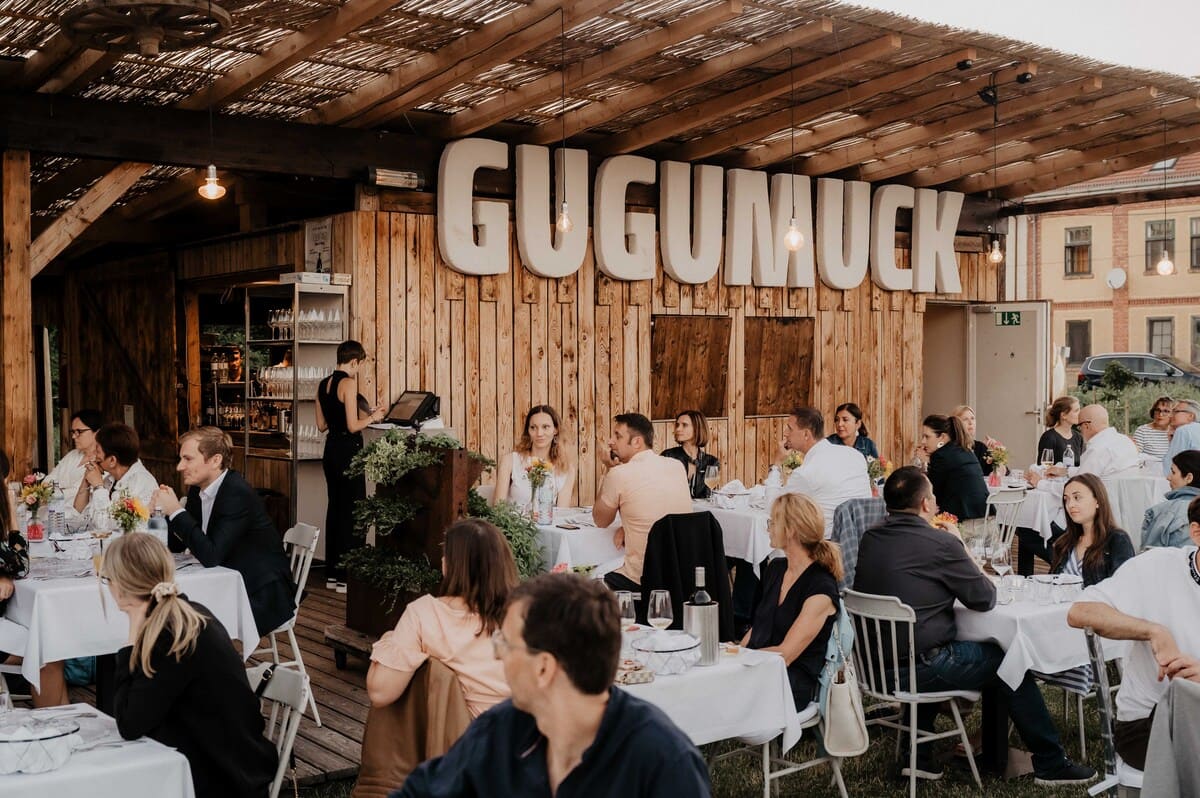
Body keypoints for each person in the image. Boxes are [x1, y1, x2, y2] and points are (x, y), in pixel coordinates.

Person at [854, 467, 1095, 785]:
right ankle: (1050, 762)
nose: (936, 502)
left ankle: (920, 758)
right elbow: (985, 598)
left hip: (874, 668)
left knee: (923, 641)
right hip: (918, 668)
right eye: (933, 496)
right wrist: (960, 547)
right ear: (926, 504)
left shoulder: (871, 537)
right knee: (1009, 660)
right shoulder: (940, 543)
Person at [397, 573, 712, 797]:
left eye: (506, 643)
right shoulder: (502, 731)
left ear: (544, 668)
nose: (497, 654)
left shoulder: (663, 763)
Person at [105, 533, 278, 798]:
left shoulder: (171, 637)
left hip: (221, 780)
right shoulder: (192, 613)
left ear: (121, 585)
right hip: (236, 763)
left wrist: (132, 635)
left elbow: (129, 723)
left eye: (107, 579)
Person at [1067, 499, 1200, 770]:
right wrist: (1153, 630)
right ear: (1197, 533)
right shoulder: (1158, 566)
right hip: (1151, 723)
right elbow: (1081, 611)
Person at [367, 519, 517, 717]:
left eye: (446, 554)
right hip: (526, 730)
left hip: (464, 733)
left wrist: (387, 641)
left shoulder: (425, 614)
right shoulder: (526, 615)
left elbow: (380, 693)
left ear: (451, 565)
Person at [156, 427, 296, 639]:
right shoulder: (197, 489)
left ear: (215, 460)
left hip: (259, 592)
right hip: (223, 580)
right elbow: (177, 546)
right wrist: (162, 513)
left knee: (179, 617)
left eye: (188, 459)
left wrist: (176, 511)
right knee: (167, 609)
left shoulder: (236, 492)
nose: (179, 467)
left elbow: (211, 555)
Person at [742, 493, 841, 710]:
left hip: (789, 682)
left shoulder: (821, 587)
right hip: (756, 667)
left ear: (791, 530)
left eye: (772, 522)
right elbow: (758, 627)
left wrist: (739, 660)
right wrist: (733, 653)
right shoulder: (776, 568)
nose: (768, 528)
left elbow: (786, 655)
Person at [315, 340, 386, 588]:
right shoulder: (348, 383)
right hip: (348, 452)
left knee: (335, 510)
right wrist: (374, 417)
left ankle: (333, 574)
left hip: (331, 451)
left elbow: (321, 425)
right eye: (360, 365)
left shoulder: (322, 385)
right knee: (354, 512)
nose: (358, 370)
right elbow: (353, 426)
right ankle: (348, 578)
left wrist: (359, 414)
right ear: (354, 361)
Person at [594, 413, 692, 591]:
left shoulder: (619, 474)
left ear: (637, 442)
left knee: (588, 578)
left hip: (642, 577)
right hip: (682, 573)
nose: (610, 441)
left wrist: (608, 469)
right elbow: (660, 507)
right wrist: (627, 526)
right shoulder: (677, 466)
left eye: (618, 436)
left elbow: (601, 520)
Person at [780, 406, 872, 533]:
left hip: (826, 542)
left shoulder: (805, 473)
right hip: (863, 538)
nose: (785, 433)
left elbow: (775, 509)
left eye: (789, 428)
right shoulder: (855, 455)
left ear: (806, 434)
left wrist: (776, 464)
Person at [1027, 404, 1139, 490]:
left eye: (1079, 426)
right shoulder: (1125, 441)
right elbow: (1093, 472)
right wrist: (1065, 471)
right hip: (1122, 502)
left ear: (1086, 425)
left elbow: (1077, 488)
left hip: (1100, 505)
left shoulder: (1098, 449)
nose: (1080, 430)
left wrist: (1040, 483)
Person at [1051, 474, 1134, 586]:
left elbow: (1124, 587)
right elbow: (1050, 583)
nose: (1070, 505)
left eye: (1077, 498)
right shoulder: (1064, 543)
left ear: (1097, 501)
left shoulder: (1117, 540)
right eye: (1066, 499)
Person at [72, 422, 158, 525]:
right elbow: (79, 513)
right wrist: (86, 481)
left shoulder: (140, 483)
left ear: (112, 460)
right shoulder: (111, 479)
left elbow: (109, 526)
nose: (94, 456)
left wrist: (98, 487)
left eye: (97, 451)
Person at [492, 404, 576, 508]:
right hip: (513, 518)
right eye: (533, 427)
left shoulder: (566, 469)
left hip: (548, 518)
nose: (539, 433)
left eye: (545, 427)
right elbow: (498, 508)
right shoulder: (510, 460)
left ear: (555, 430)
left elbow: (562, 512)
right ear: (528, 431)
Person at [920, 414, 988, 523]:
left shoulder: (940, 456)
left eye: (927, 437)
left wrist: (925, 462)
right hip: (986, 519)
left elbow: (930, 494)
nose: (923, 441)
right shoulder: (966, 451)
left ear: (943, 437)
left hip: (964, 524)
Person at [1142, 450, 1200, 549]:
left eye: (1173, 472)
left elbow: (1149, 553)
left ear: (1189, 478)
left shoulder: (1164, 512)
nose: (1168, 477)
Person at [45, 408, 105, 501]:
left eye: (79, 432)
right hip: (53, 507)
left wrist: (56, 491)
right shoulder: (72, 455)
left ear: (97, 433)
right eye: (73, 432)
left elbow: (78, 492)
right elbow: (47, 481)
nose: (73, 436)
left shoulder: (104, 461)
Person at [660, 409, 720, 500]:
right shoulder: (668, 456)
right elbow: (661, 490)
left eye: (684, 425)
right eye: (677, 425)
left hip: (701, 508)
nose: (678, 429)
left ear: (697, 429)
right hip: (674, 507)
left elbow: (709, 495)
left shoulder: (712, 462)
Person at [953, 404, 999, 478]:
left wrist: (996, 452)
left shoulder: (980, 447)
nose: (970, 422)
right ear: (956, 424)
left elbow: (1001, 473)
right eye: (965, 419)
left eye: (972, 418)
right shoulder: (950, 449)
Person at [1037, 396, 1085, 467]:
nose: (1080, 414)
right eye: (1076, 411)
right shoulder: (1049, 437)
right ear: (1063, 415)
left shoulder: (1078, 437)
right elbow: (1042, 467)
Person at [1162, 399, 1200, 477]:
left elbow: (1169, 465)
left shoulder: (1183, 430)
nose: (1170, 415)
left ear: (1191, 416)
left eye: (1175, 411)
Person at [1133, 395, 1174, 462]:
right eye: (1158, 410)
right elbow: (1135, 456)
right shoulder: (1142, 431)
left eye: (1166, 411)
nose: (1160, 414)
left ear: (1173, 414)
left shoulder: (1176, 432)